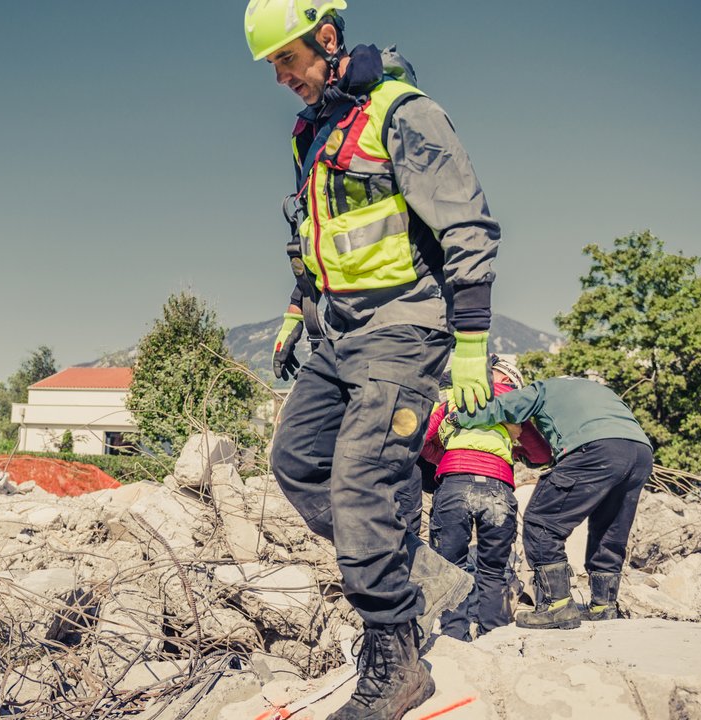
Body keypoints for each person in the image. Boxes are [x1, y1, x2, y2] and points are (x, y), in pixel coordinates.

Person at [245, 1, 502, 717]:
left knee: (360, 485)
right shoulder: (311, 131)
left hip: (404, 330)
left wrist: (475, 346)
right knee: (297, 461)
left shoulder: (403, 113)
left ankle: (397, 659)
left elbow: (468, 227)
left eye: (287, 60)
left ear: (327, 38)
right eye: (273, 67)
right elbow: (318, 232)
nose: (280, 78)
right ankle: (420, 572)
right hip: (338, 334)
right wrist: (299, 310)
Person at [448, 375, 654, 629]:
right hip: (641, 452)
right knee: (610, 528)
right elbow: (546, 453)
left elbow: (504, 407)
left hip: (595, 449)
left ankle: (557, 606)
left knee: (542, 521)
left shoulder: (544, 389)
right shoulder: (601, 392)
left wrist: (460, 418)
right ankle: (603, 606)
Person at [420, 356, 551, 640]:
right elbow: (541, 455)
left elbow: (421, 439)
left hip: (455, 484)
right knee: (492, 570)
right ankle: (492, 637)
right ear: (511, 382)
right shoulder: (515, 405)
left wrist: (448, 457)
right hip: (498, 489)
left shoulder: (456, 398)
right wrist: (514, 452)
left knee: (450, 567)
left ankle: (454, 637)